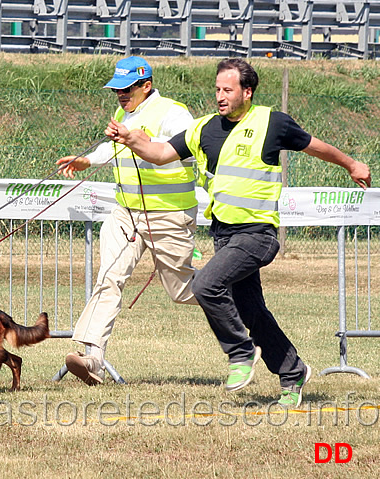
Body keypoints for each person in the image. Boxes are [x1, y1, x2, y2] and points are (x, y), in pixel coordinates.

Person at [105, 58, 371, 406]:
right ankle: (293, 372)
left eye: (227, 89)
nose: (220, 96)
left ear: (247, 92)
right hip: (225, 237)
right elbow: (160, 153)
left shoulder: (270, 123)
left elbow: (314, 146)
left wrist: (351, 164)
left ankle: (241, 353)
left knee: (205, 285)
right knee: (251, 310)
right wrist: (130, 139)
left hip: (258, 235)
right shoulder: (205, 128)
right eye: (217, 89)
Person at [56, 56, 199, 385]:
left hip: (168, 214)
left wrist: (137, 139)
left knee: (183, 292)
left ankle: (230, 292)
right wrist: (87, 160)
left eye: (127, 89)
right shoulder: (125, 113)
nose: (120, 95)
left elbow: (184, 149)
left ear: (145, 86)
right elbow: (114, 148)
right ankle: (93, 357)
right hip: (127, 213)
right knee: (108, 278)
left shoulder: (173, 113)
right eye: (116, 89)